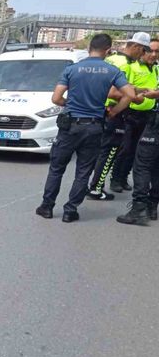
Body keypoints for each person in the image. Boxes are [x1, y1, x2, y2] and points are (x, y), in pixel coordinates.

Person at [36, 34, 136, 223]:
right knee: (83, 171)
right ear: (108, 50)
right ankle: (70, 211)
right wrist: (114, 111)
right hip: (95, 127)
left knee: (57, 168)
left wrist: (70, 104)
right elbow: (129, 95)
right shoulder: (112, 70)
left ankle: (47, 207)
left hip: (70, 126)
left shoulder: (72, 69)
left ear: (90, 47)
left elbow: (56, 98)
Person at [86, 32, 151, 200]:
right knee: (109, 151)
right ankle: (96, 188)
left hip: (100, 112)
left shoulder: (113, 59)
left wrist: (135, 90)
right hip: (114, 113)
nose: (143, 55)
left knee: (101, 151)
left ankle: (92, 185)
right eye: (143, 50)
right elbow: (112, 91)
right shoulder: (123, 63)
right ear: (135, 47)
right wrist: (134, 97)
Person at [109, 38, 159, 193]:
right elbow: (122, 88)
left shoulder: (156, 69)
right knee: (125, 148)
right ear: (143, 50)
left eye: (157, 51)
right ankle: (116, 178)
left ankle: (124, 177)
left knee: (138, 151)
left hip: (148, 115)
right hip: (130, 113)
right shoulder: (132, 66)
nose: (153, 54)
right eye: (150, 50)